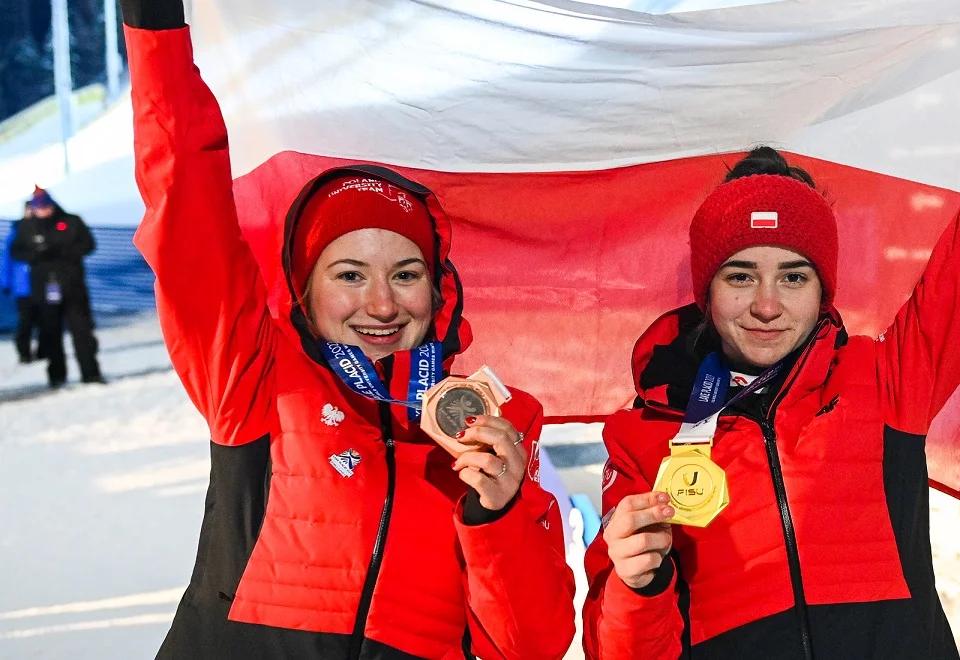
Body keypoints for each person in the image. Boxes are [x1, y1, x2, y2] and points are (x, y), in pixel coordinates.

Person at [583, 3, 960, 659]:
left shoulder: (889, 381)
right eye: (741, 276)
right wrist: (639, 586)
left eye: (795, 278)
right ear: (705, 288)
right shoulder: (645, 435)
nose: (768, 306)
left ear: (825, 288)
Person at [120, 1, 574, 658]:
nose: (383, 305)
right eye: (351, 274)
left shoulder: (496, 422)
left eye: (406, 273)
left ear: (438, 288)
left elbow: (532, 647)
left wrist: (497, 515)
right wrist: (155, 31)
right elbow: (185, 203)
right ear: (304, 289)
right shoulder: (254, 377)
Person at [10, 186, 104, 386]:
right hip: (44, 288)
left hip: (73, 286)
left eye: (45, 206)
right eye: (39, 207)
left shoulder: (71, 221)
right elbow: (16, 252)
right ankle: (56, 376)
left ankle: (91, 374)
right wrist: (36, 255)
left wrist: (64, 253)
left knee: (82, 332)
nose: (43, 211)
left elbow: (88, 245)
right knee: (50, 332)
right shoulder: (27, 227)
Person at [1, 203, 42, 363]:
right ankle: (24, 352)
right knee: (25, 321)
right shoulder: (16, 233)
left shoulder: (44, 229)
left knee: (45, 320)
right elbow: (7, 261)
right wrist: (6, 282)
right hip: (23, 287)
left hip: (42, 285)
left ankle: (43, 351)